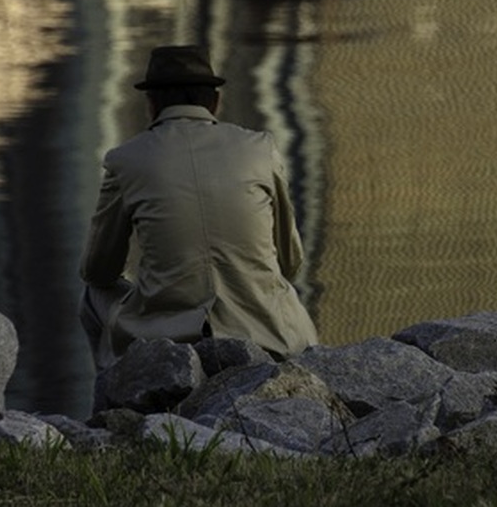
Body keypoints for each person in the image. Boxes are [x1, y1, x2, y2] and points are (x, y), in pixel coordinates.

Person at [78, 45, 319, 369]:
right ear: (215, 101)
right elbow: (291, 263)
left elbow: (98, 271)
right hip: (269, 336)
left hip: (167, 340)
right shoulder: (261, 150)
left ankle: (113, 399)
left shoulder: (126, 161)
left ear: (151, 105)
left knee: (93, 295)